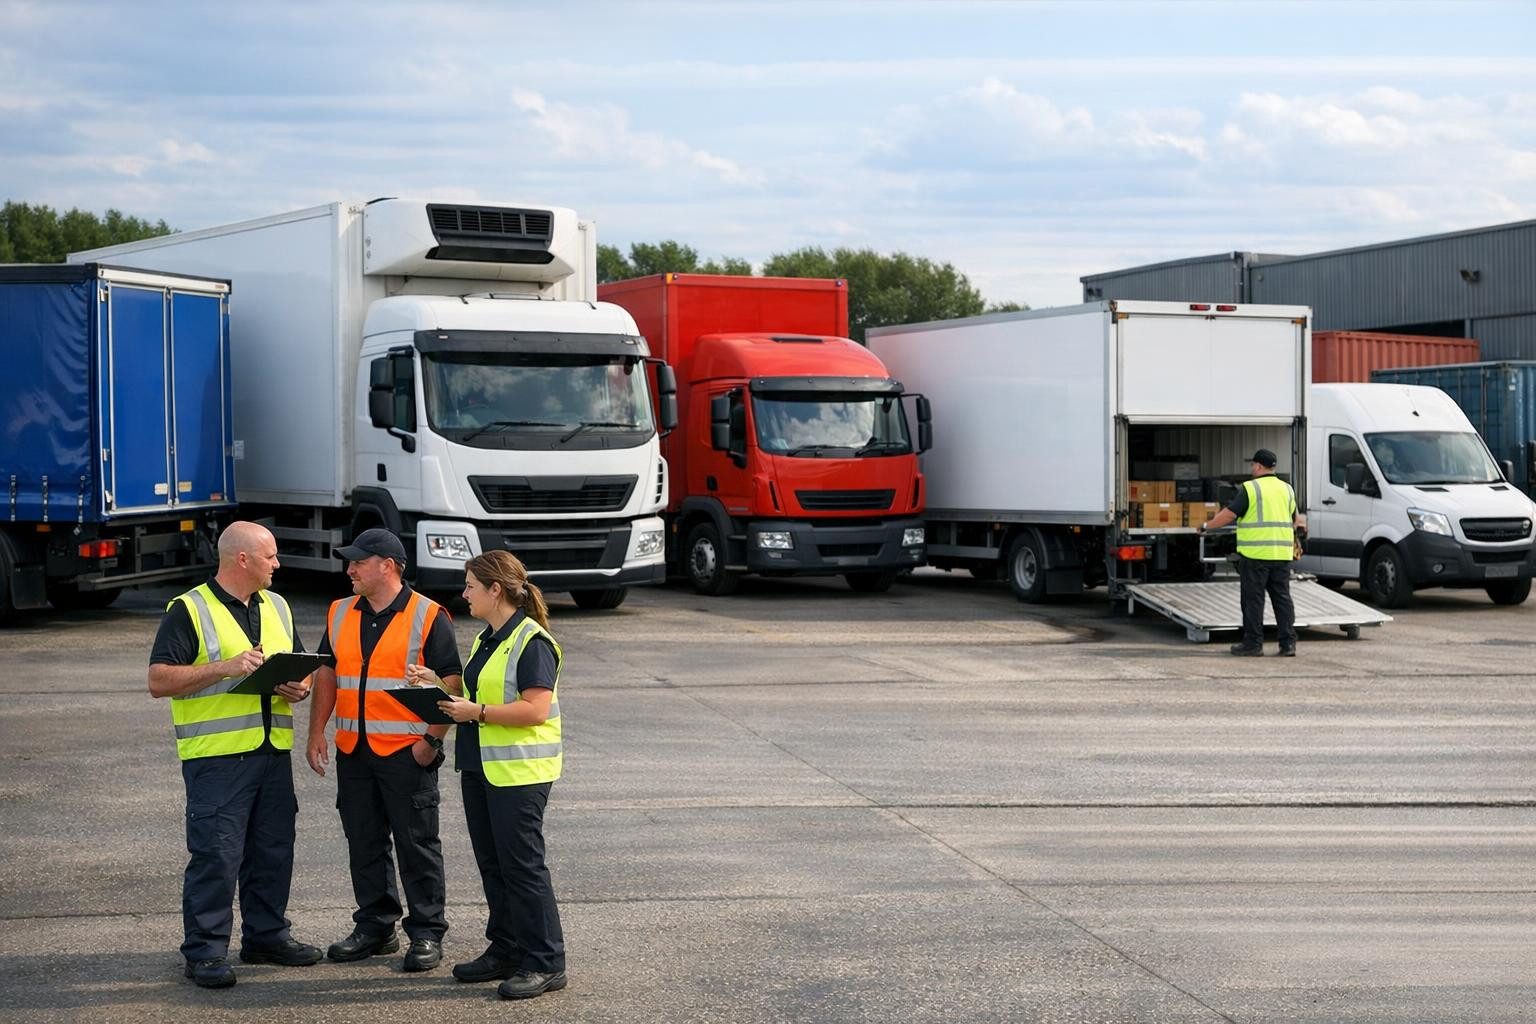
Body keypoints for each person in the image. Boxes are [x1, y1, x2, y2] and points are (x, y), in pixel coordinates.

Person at [148, 521, 322, 989]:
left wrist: (298, 687)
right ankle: (204, 952)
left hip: (272, 752)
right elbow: (159, 681)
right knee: (217, 856)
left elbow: (302, 670)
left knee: (272, 851)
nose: (278, 564)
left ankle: (266, 937)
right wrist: (225, 667)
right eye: (271, 556)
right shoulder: (188, 609)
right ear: (242, 559)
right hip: (217, 758)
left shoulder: (279, 606)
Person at [407, 550, 567, 1001]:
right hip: (481, 766)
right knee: (494, 864)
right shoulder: (488, 638)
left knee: (523, 866)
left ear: (495, 590)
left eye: (471, 586)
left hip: (519, 772)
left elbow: (534, 709)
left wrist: (475, 711)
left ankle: (546, 961)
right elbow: (473, 692)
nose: (464, 594)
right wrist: (435, 684)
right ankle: (507, 948)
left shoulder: (531, 642)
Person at [304, 528, 463, 972]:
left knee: (417, 844)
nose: (349, 569)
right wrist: (317, 731)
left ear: (387, 566)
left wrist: (431, 741)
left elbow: (451, 682)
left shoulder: (429, 615)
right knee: (364, 841)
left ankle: (427, 932)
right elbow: (328, 674)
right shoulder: (339, 612)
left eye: (358, 562)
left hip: (406, 752)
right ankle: (375, 927)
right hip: (353, 749)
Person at [1198, 449, 1306, 657]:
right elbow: (1295, 520)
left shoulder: (1251, 488)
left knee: (1253, 601)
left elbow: (1229, 514)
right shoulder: (1287, 489)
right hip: (1281, 555)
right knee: (1282, 599)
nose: (1251, 469)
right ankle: (1288, 644)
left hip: (1255, 555)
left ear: (1258, 466)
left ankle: (1253, 644)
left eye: (1252, 465)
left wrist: (1207, 526)